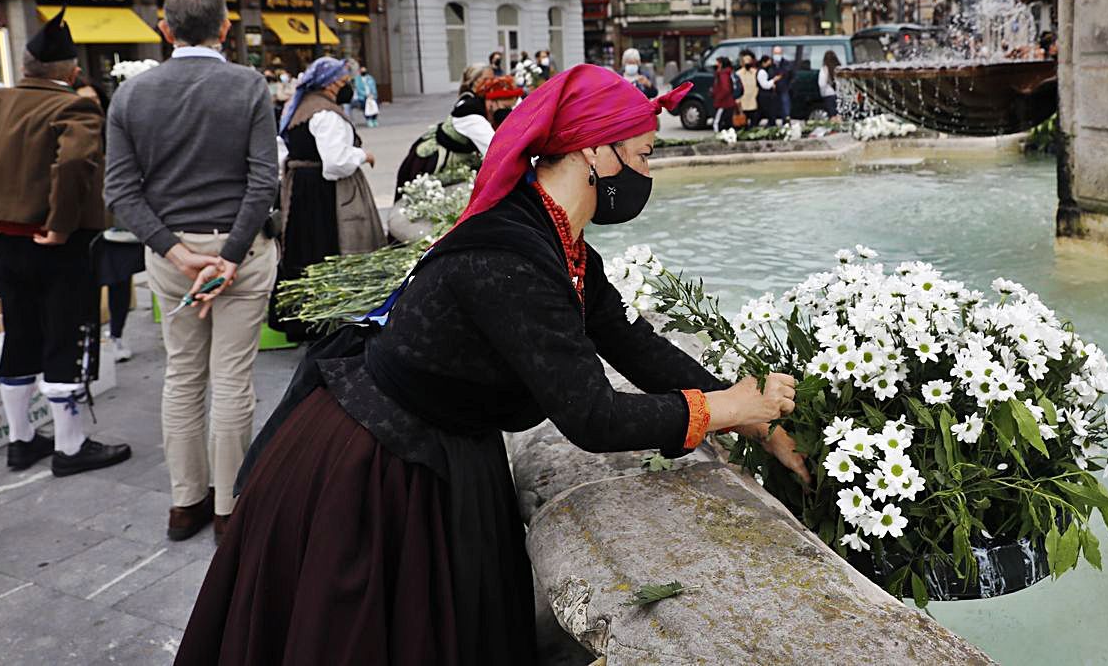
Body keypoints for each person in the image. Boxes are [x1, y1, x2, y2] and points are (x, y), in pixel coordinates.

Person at [175, 64, 804, 665]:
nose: (647, 171)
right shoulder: (513, 257)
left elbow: (632, 342)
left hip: (440, 443)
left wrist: (753, 420)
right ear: (594, 153)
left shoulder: (559, 240)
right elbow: (593, 416)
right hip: (378, 462)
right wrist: (724, 408)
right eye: (642, 155)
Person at [105, 0, 280, 541]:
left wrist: (177, 253)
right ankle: (229, 508)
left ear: (165, 29)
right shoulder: (248, 85)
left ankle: (186, 503)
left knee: (182, 375)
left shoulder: (131, 95)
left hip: (170, 252)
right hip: (241, 249)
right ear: (225, 29)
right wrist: (227, 257)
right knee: (232, 379)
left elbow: (121, 191)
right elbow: (263, 181)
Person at [0, 10, 131, 476]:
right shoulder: (74, 105)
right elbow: (75, 165)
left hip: (3, 243)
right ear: (72, 72)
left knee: (19, 333)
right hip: (58, 243)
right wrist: (59, 223)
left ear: (25, 65)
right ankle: (70, 447)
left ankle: (20, 442)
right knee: (65, 336)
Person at [271, 56, 385, 342]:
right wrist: (362, 155)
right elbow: (335, 164)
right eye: (344, 80)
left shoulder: (297, 108)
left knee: (304, 251)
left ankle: (306, 323)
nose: (347, 85)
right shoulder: (326, 113)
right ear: (332, 83)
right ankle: (332, 325)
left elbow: (283, 151)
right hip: (324, 195)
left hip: (300, 190)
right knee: (329, 249)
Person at [75, 75, 141, 364]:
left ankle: (116, 334)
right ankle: (90, 341)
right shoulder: (68, 132)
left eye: (92, 101)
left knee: (118, 279)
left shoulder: (115, 132)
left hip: (116, 221)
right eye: (81, 100)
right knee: (86, 283)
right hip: (82, 221)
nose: (88, 107)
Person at [395, 63, 493, 195]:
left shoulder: (472, 101)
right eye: (487, 80)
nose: (493, 84)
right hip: (432, 160)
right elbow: (492, 148)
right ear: (475, 82)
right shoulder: (470, 110)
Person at [709, 55, 738, 132]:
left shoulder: (723, 74)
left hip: (723, 102)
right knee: (729, 123)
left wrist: (718, 98)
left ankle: (719, 137)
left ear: (722, 64)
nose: (716, 65)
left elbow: (725, 89)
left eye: (718, 63)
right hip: (729, 101)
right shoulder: (729, 72)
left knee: (717, 123)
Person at [735, 50, 760, 128]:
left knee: (754, 122)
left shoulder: (756, 72)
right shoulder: (738, 74)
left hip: (753, 101)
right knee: (743, 124)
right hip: (743, 102)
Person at [756, 54, 782, 126]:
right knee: (767, 113)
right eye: (768, 62)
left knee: (770, 113)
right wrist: (774, 80)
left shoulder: (765, 71)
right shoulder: (762, 72)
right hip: (765, 96)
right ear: (764, 62)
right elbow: (765, 85)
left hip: (767, 95)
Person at [771, 45, 793, 121]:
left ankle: (786, 122)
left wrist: (788, 86)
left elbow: (792, 76)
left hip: (784, 89)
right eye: (775, 53)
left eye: (779, 53)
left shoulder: (786, 64)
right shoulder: (770, 64)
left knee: (785, 107)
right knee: (772, 108)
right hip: (772, 90)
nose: (777, 55)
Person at [819, 50, 841, 120]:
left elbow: (821, 83)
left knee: (832, 115)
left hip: (828, 93)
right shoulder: (838, 68)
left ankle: (835, 129)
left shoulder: (824, 69)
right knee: (839, 114)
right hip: (839, 94)